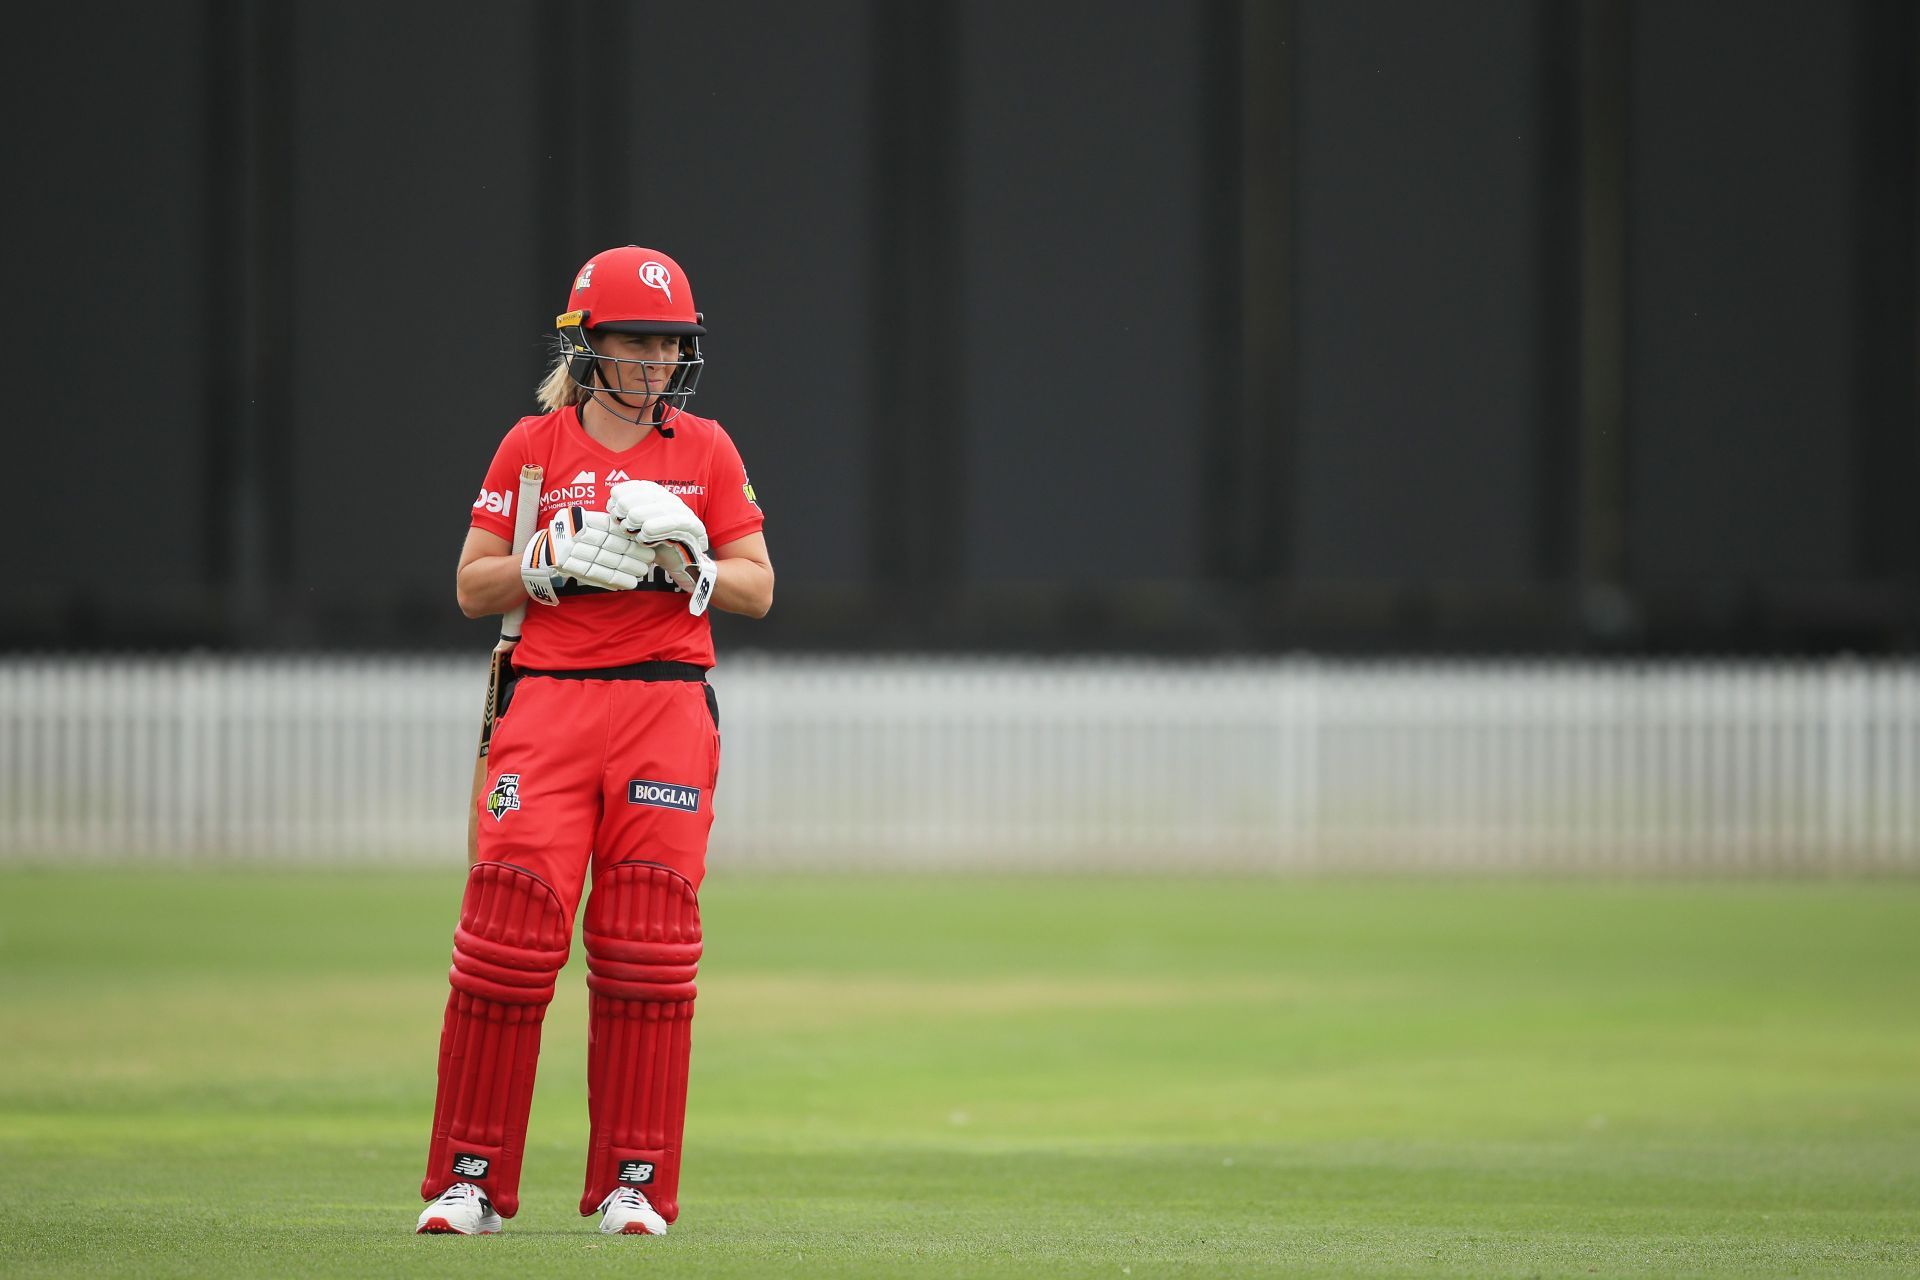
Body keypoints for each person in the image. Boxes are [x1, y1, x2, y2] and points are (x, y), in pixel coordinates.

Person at [414, 245, 772, 1237]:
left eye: (671, 343)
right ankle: (470, 1180)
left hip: (665, 704)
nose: (657, 360)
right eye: (637, 340)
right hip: (552, 701)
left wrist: (689, 554)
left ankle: (636, 1184)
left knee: (647, 945)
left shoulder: (706, 451)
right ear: (589, 346)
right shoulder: (531, 449)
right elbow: (470, 582)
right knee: (507, 935)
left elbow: (758, 584)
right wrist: (549, 560)